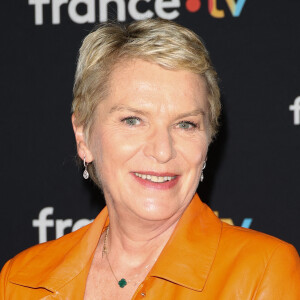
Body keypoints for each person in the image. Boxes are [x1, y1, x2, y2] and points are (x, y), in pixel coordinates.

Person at [0, 18, 299, 300]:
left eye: (186, 124)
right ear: (83, 136)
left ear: (208, 141)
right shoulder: (21, 280)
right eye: (133, 120)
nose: (162, 150)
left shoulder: (261, 273)